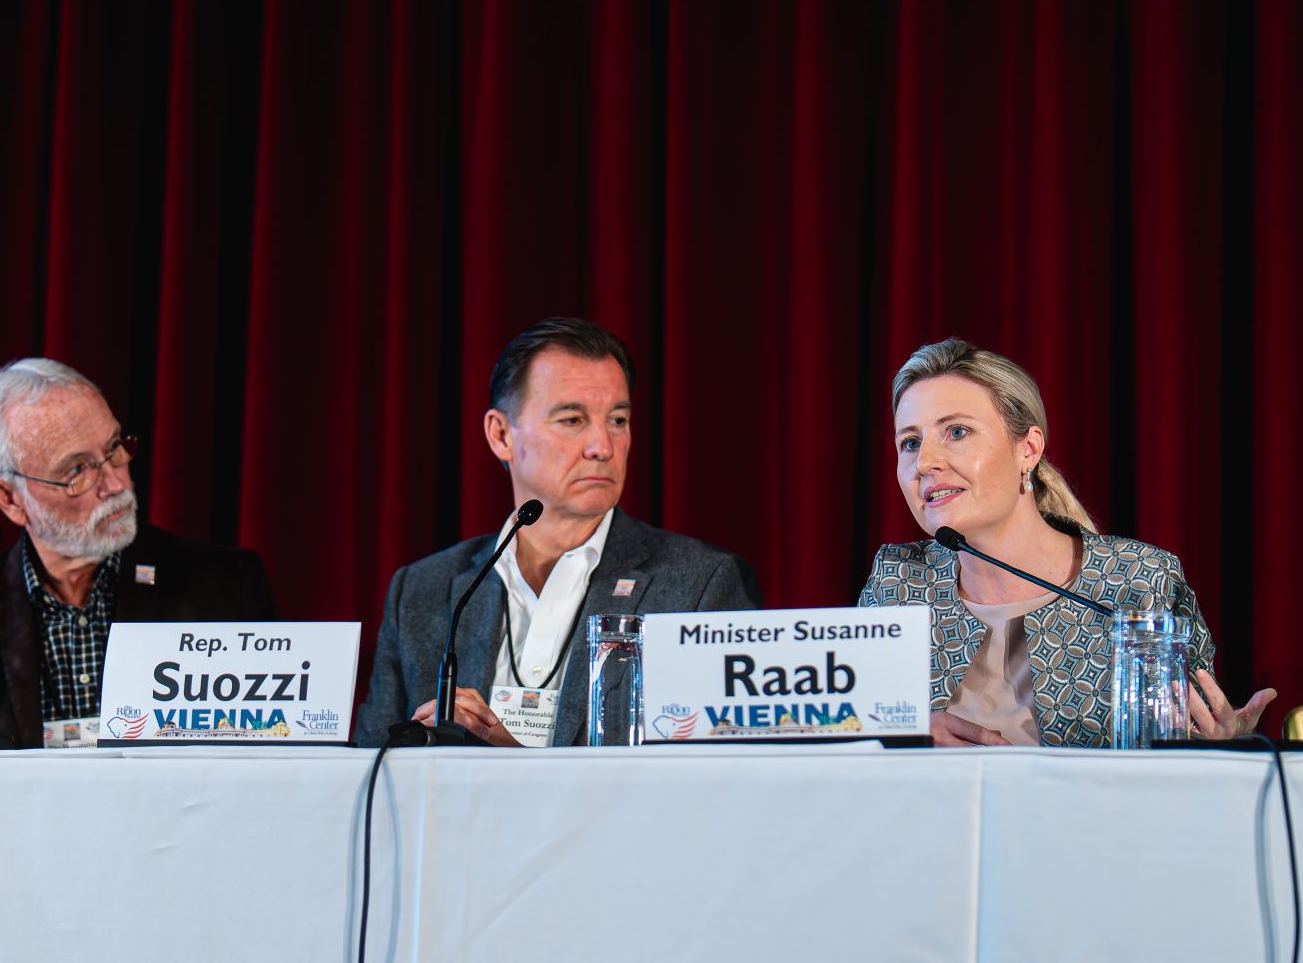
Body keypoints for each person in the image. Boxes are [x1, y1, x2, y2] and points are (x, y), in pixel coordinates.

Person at [354, 318, 762, 748]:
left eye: (618, 420)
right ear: (500, 436)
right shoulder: (422, 591)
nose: (602, 446)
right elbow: (371, 773)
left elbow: (712, 786)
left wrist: (512, 759)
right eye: (572, 420)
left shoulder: (700, 585)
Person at [858, 337, 1274, 747]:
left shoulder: (1140, 580)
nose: (925, 463)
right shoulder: (898, 582)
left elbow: (1192, 747)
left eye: (957, 431)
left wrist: (1223, 746)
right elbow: (833, 734)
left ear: (1029, 449)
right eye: (909, 443)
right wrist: (897, 730)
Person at [0, 358, 278, 748]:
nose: (116, 483)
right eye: (77, 470)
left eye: (114, 448)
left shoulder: (226, 590)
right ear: (9, 498)